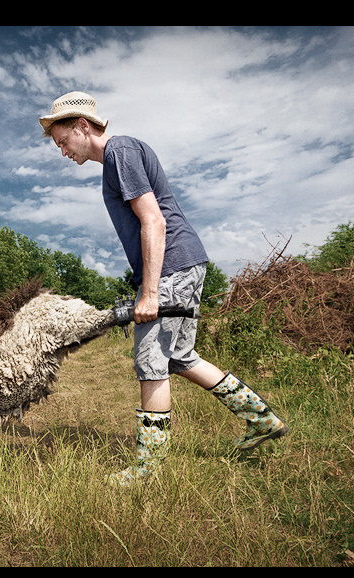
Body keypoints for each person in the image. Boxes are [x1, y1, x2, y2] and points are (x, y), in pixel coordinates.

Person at [39, 91, 288, 485]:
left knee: (151, 362)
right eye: (58, 145)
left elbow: (153, 221)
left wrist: (150, 293)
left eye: (63, 140)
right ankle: (261, 419)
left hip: (171, 265)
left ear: (83, 126)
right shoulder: (120, 156)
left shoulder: (120, 152)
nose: (63, 151)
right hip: (185, 262)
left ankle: (148, 470)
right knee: (180, 357)